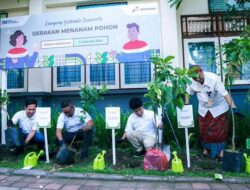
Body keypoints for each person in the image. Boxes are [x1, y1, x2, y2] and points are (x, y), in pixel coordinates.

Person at [185, 65, 236, 160]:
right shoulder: (193, 80)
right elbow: (188, 92)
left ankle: (221, 153)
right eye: (194, 78)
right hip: (204, 109)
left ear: (201, 71)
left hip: (218, 108)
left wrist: (232, 106)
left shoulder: (213, 78)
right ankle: (206, 150)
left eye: (198, 77)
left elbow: (225, 94)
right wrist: (186, 105)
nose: (197, 79)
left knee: (220, 131)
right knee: (204, 130)